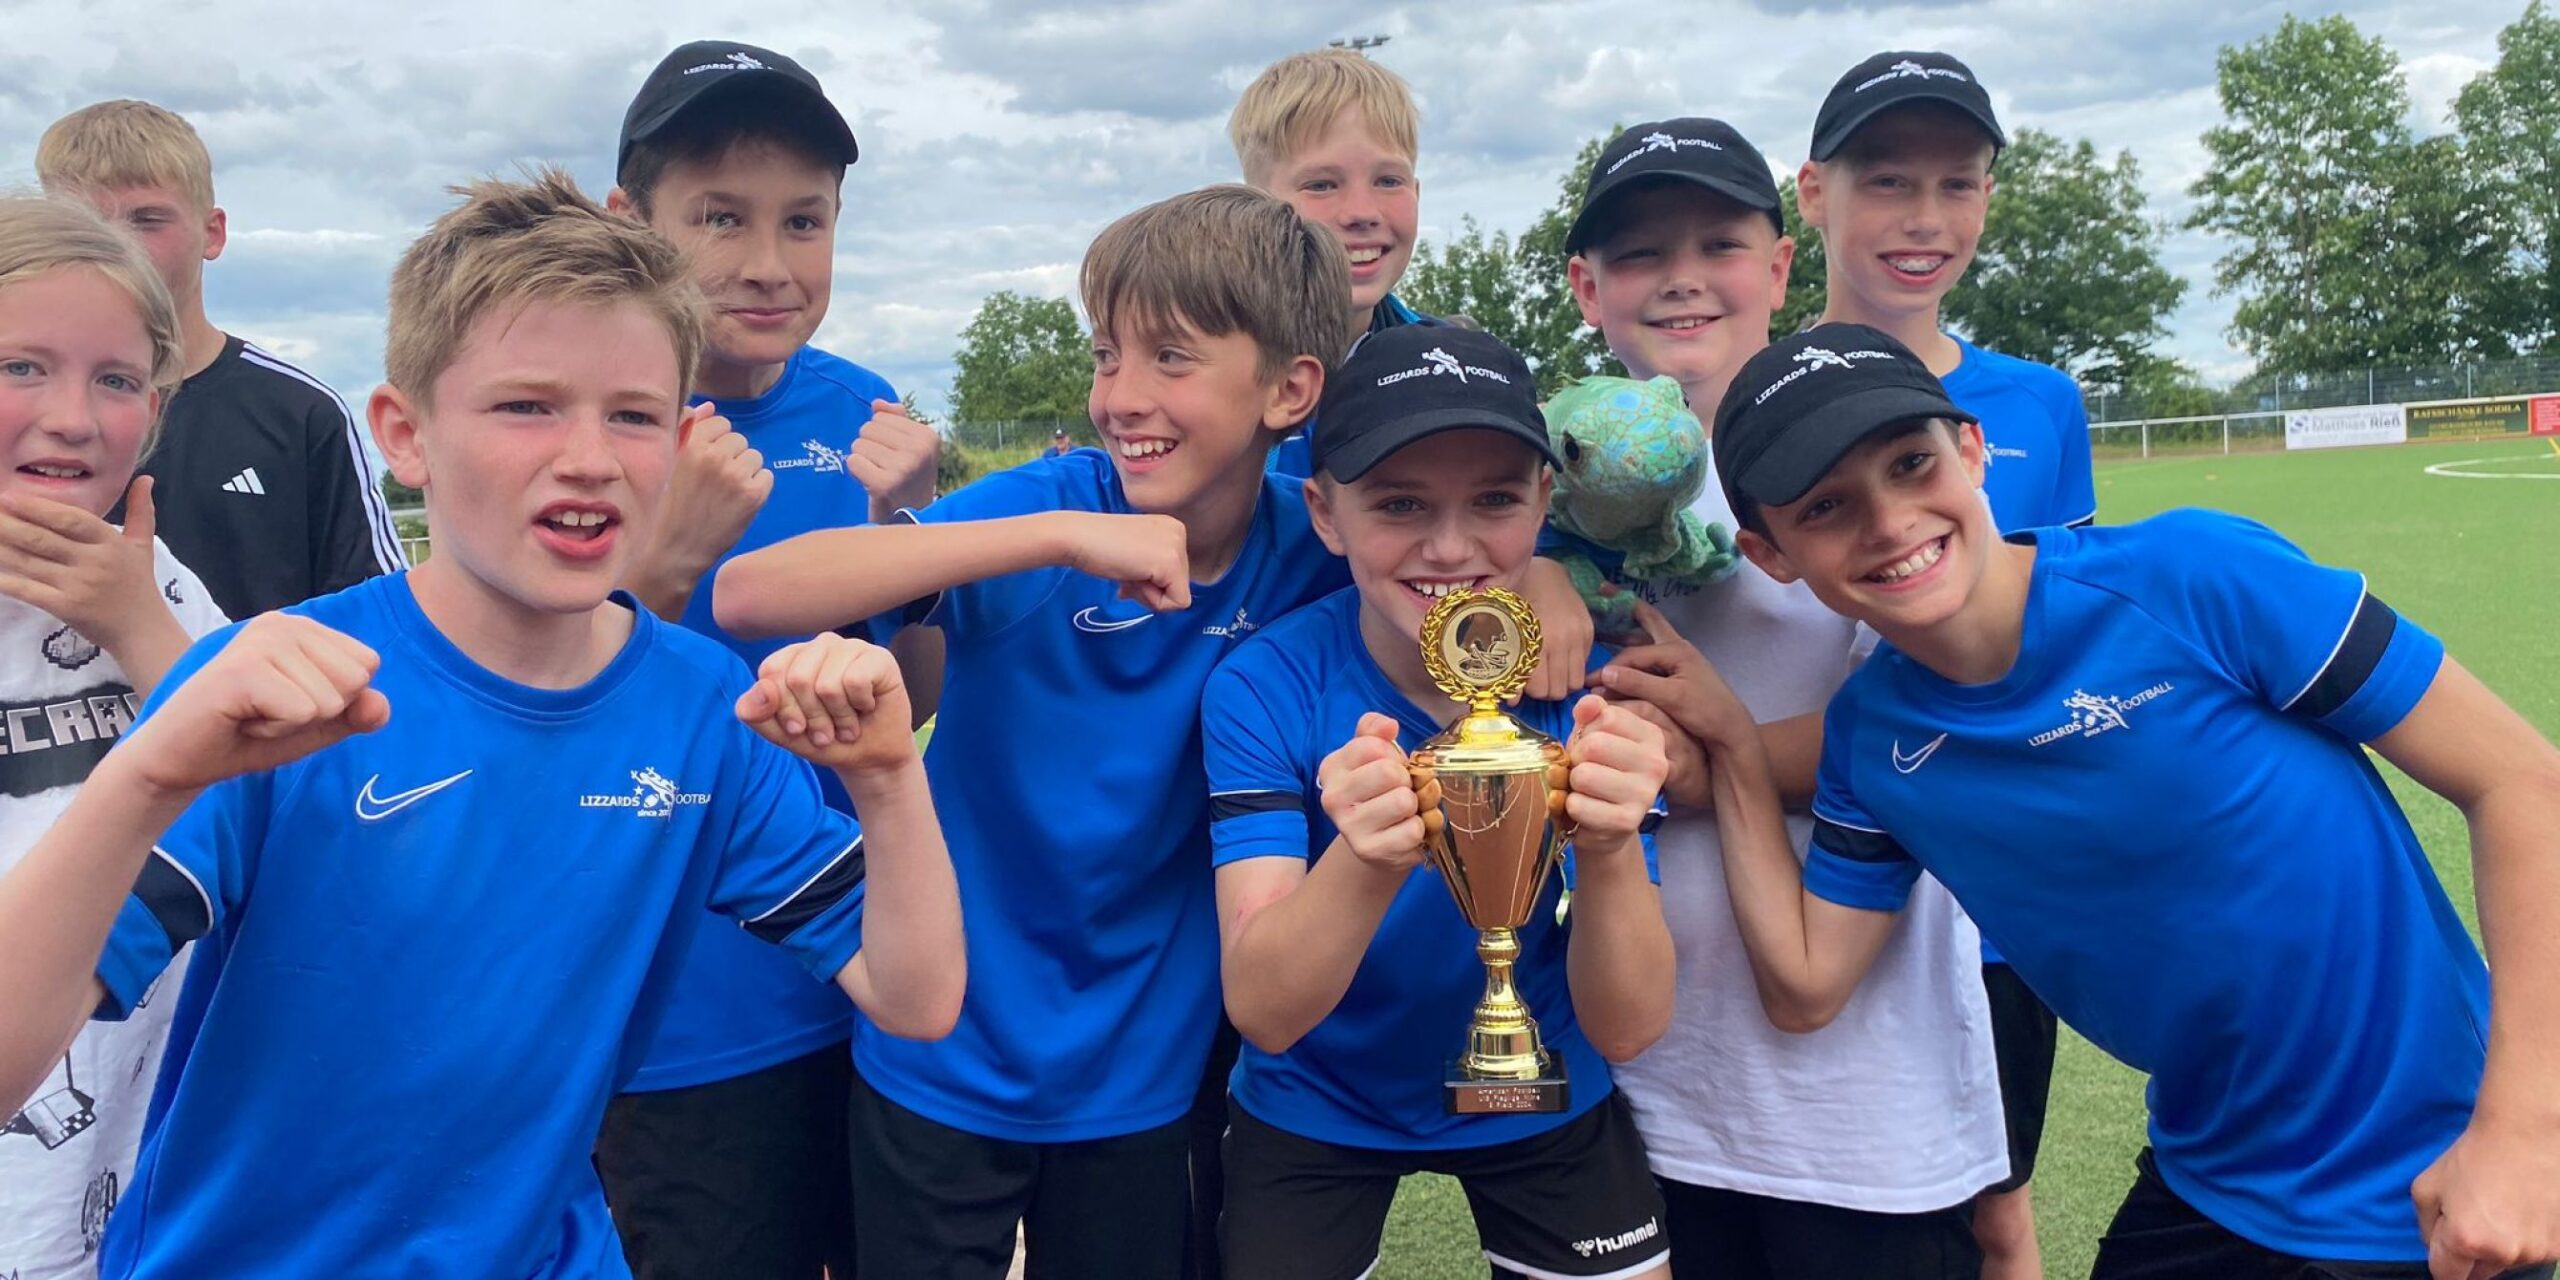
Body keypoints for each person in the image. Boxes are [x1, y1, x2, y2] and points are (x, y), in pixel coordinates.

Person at [0, 169, 965, 1280]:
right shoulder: (273, 685)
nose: (590, 455)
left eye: (635, 415)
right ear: (405, 434)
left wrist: (891, 777)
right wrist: (144, 776)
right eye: (526, 404)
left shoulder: (698, 706)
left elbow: (915, 993)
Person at [1634, 321, 2560, 1280]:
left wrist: (2527, 1131)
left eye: (1911, 463)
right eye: (1826, 507)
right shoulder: (1875, 740)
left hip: (2442, 1186)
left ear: (1973, 450)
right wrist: (1737, 755)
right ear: (1771, 553)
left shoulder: (2195, 578)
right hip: (2212, 1188)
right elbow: (1806, 984)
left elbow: (2524, 782)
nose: (1889, 521)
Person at [716, 185, 1355, 1280]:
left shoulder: (1316, 545)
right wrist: (1057, 535)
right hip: (941, 1052)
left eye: (1172, 357)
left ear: (1289, 389)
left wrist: (1544, 579)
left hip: (1146, 1081)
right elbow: (750, 592)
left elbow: (1455, 545)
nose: (1123, 395)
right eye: (1107, 355)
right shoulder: (1045, 508)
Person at [1562, 122, 2004, 1279]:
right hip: (1643, 1085)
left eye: (1719, 241)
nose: (1684, 277)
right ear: (1585, 287)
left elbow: (1941, 722)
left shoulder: (1853, 464)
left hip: (1859, 1104)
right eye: (1644, 253)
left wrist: (1713, 759)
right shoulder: (1548, 487)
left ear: (1778, 267)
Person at [1203, 324, 1676, 1280]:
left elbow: (1628, 1027)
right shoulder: (1263, 684)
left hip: (1545, 1083)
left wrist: (1615, 845)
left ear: (1546, 502)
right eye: (1400, 502)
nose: (1452, 545)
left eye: (1495, 499)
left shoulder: (1590, 684)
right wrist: (1369, 857)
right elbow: (1264, 1010)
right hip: (1316, 1097)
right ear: (1326, 515)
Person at [594, 41, 941, 1279]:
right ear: (631, 222)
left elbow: (920, 701)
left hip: (871, 990)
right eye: (719, 218)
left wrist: (918, 538)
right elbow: (531, 710)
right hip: (680, 1016)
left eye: (804, 221)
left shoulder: (866, 410)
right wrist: (664, 569)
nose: (767, 263)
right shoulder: (591, 421)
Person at [1793, 54, 2099, 1273]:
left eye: (1957, 184)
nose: (1924, 220)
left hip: (1993, 902)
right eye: (1886, 182)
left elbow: (2058, 641)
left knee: (1997, 1204)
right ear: (1812, 192)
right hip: (1815, 882)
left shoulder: (2036, 402)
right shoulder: (1741, 396)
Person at [0, 195, 230, 1280]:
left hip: (144, 1193)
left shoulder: (155, 577)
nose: (74, 418)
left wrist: (138, 624)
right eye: (21, 367)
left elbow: (284, 800)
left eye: (118, 380)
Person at [37, 99, 405, 620]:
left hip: (264, 700)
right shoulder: (22, 414)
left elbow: (377, 615)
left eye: (146, 220)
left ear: (212, 233)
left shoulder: (299, 412)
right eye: (85, 224)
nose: (115, 246)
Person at [1230, 48, 1442, 481]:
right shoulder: (1201, 368)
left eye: (1388, 181)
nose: (1361, 211)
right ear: (1254, 209)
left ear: (1416, 193)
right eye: (1322, 185)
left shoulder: (1452, 367)